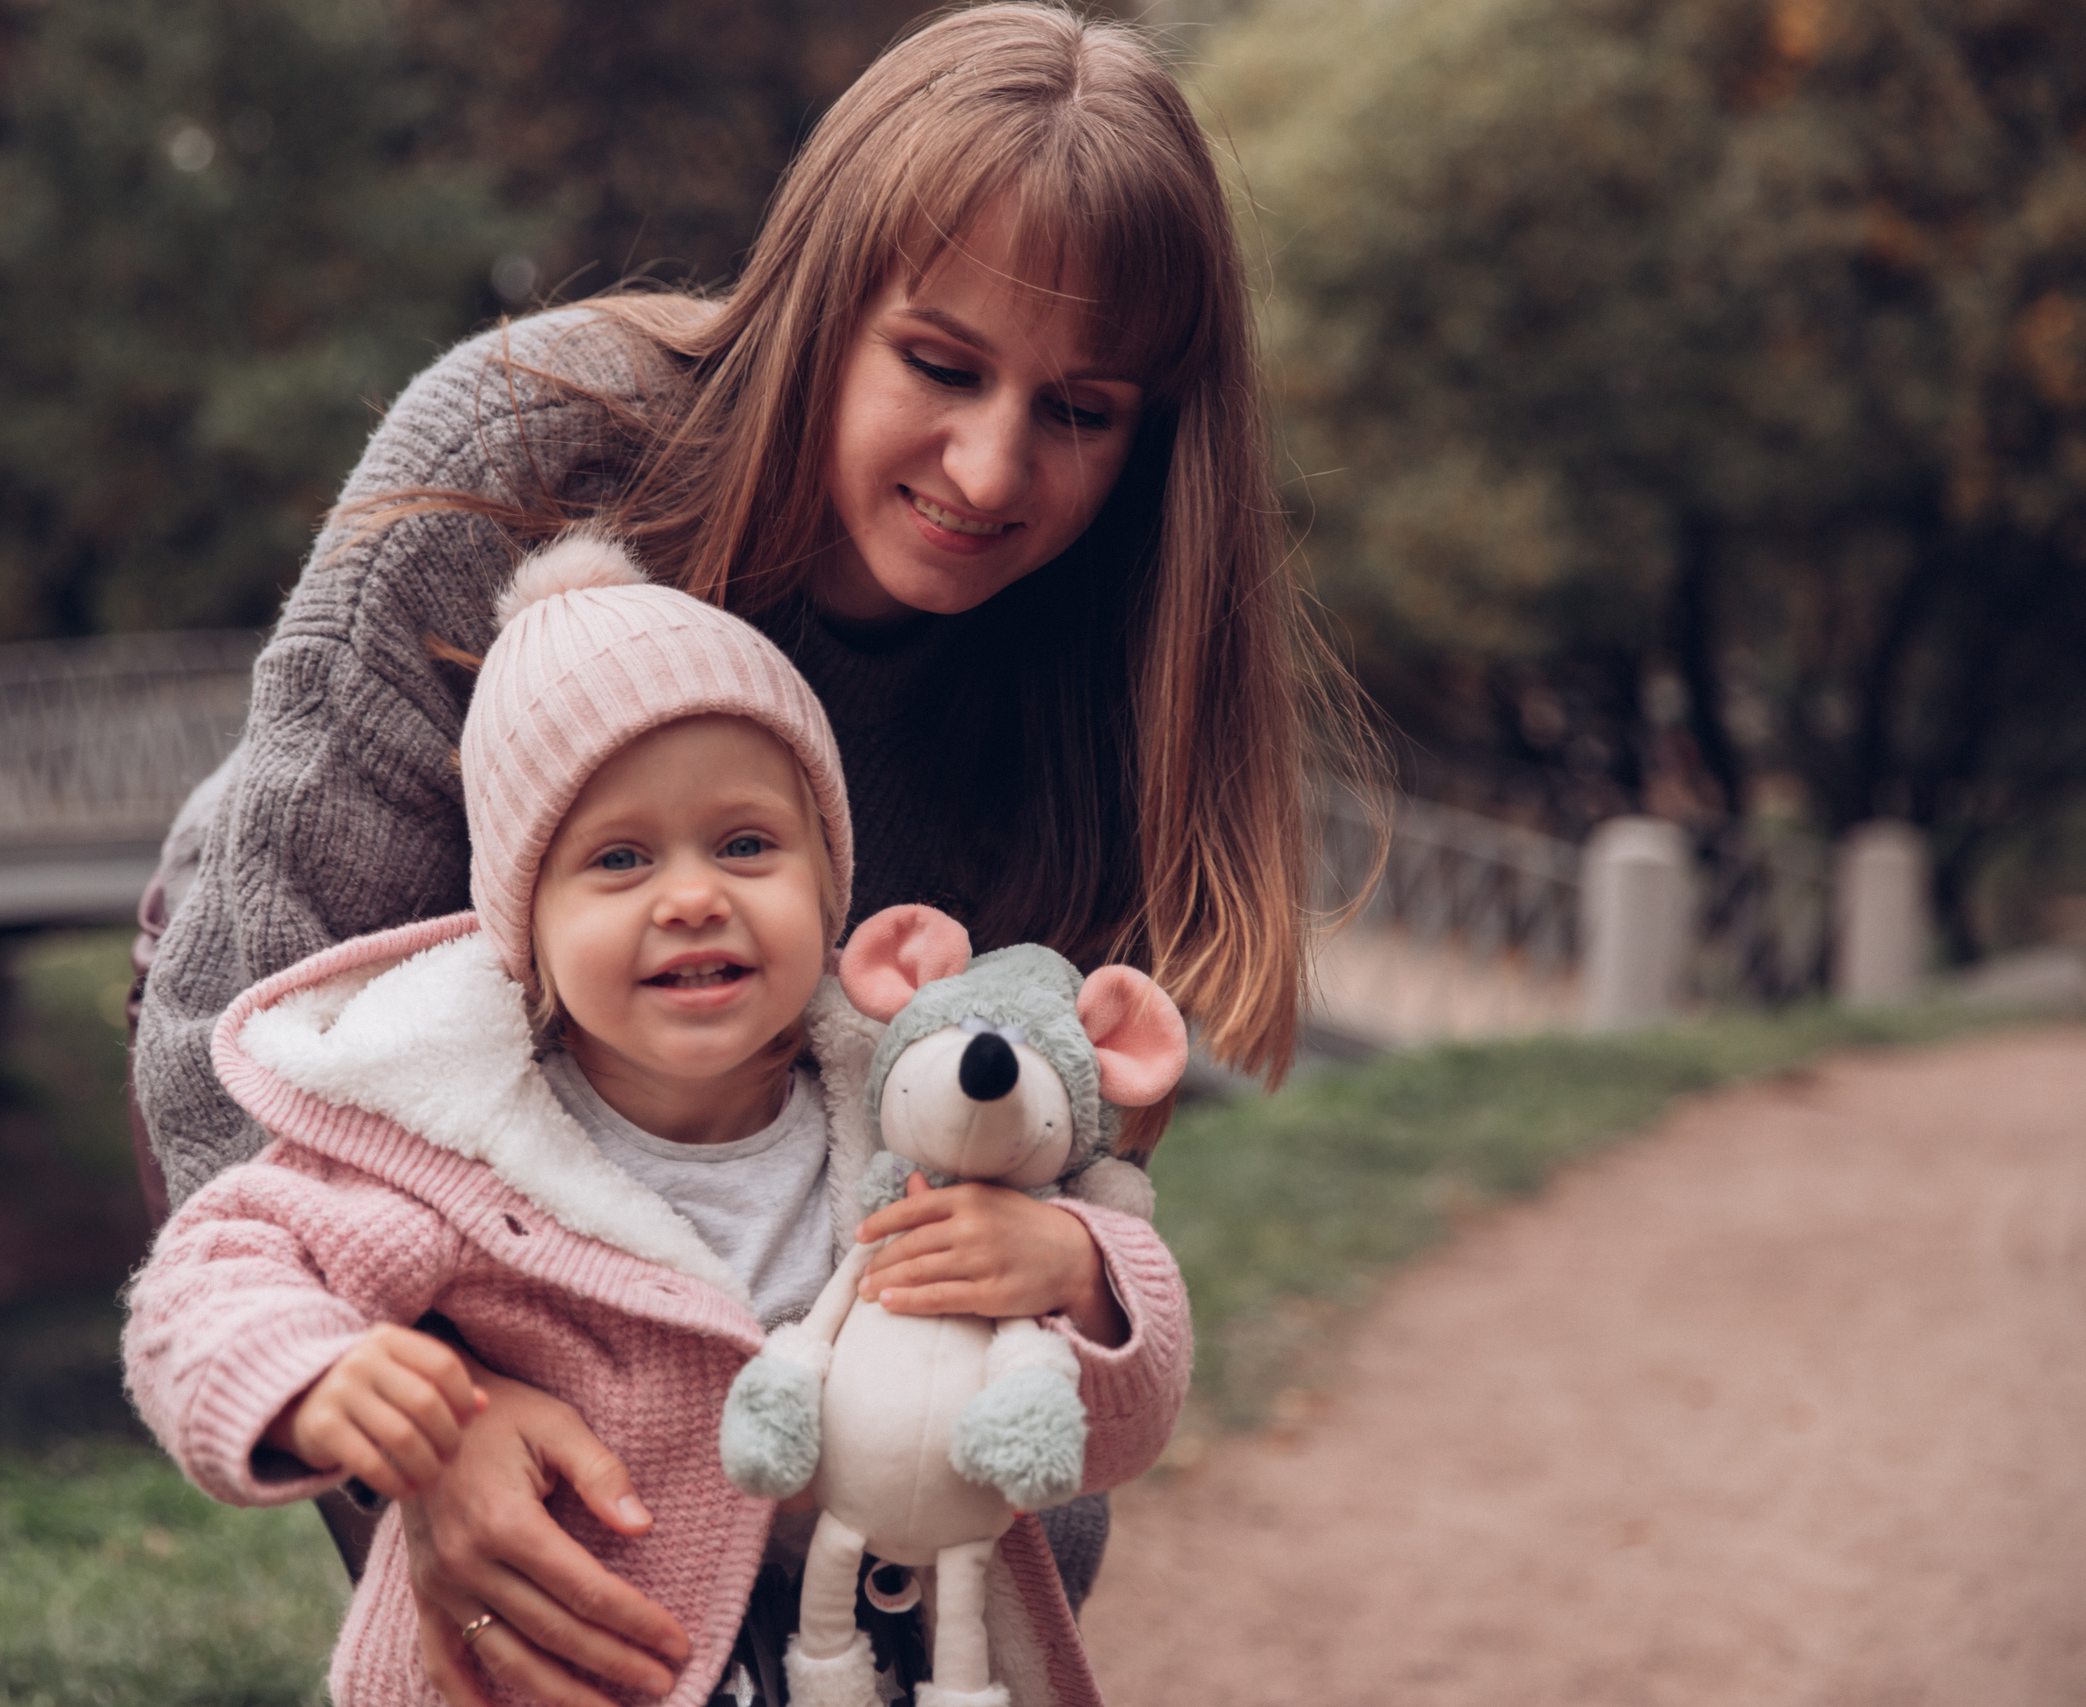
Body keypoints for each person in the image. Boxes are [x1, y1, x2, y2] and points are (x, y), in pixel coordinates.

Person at [130, 6, 1359, 1703]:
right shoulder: (520, 456)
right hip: (341, 1045)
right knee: (540, 1589)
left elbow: (1011, 1220)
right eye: (938, 365)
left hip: (770, 1175)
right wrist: (429, 1429)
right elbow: (227, 1029)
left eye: (1078, 410)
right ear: (821, 302)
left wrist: (996, 1499)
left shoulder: (1102, 680)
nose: (990, 467)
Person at [124, 542, 1191, 1707]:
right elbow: (212, 1275)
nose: (692, 897)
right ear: (523, 928)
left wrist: (1080, 1275)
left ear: (831, 891)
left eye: (745, 844)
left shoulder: (913, 1124)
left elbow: (1121, 1430)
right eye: (618, 859)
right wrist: (315, 1375)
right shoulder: (456, 1152)